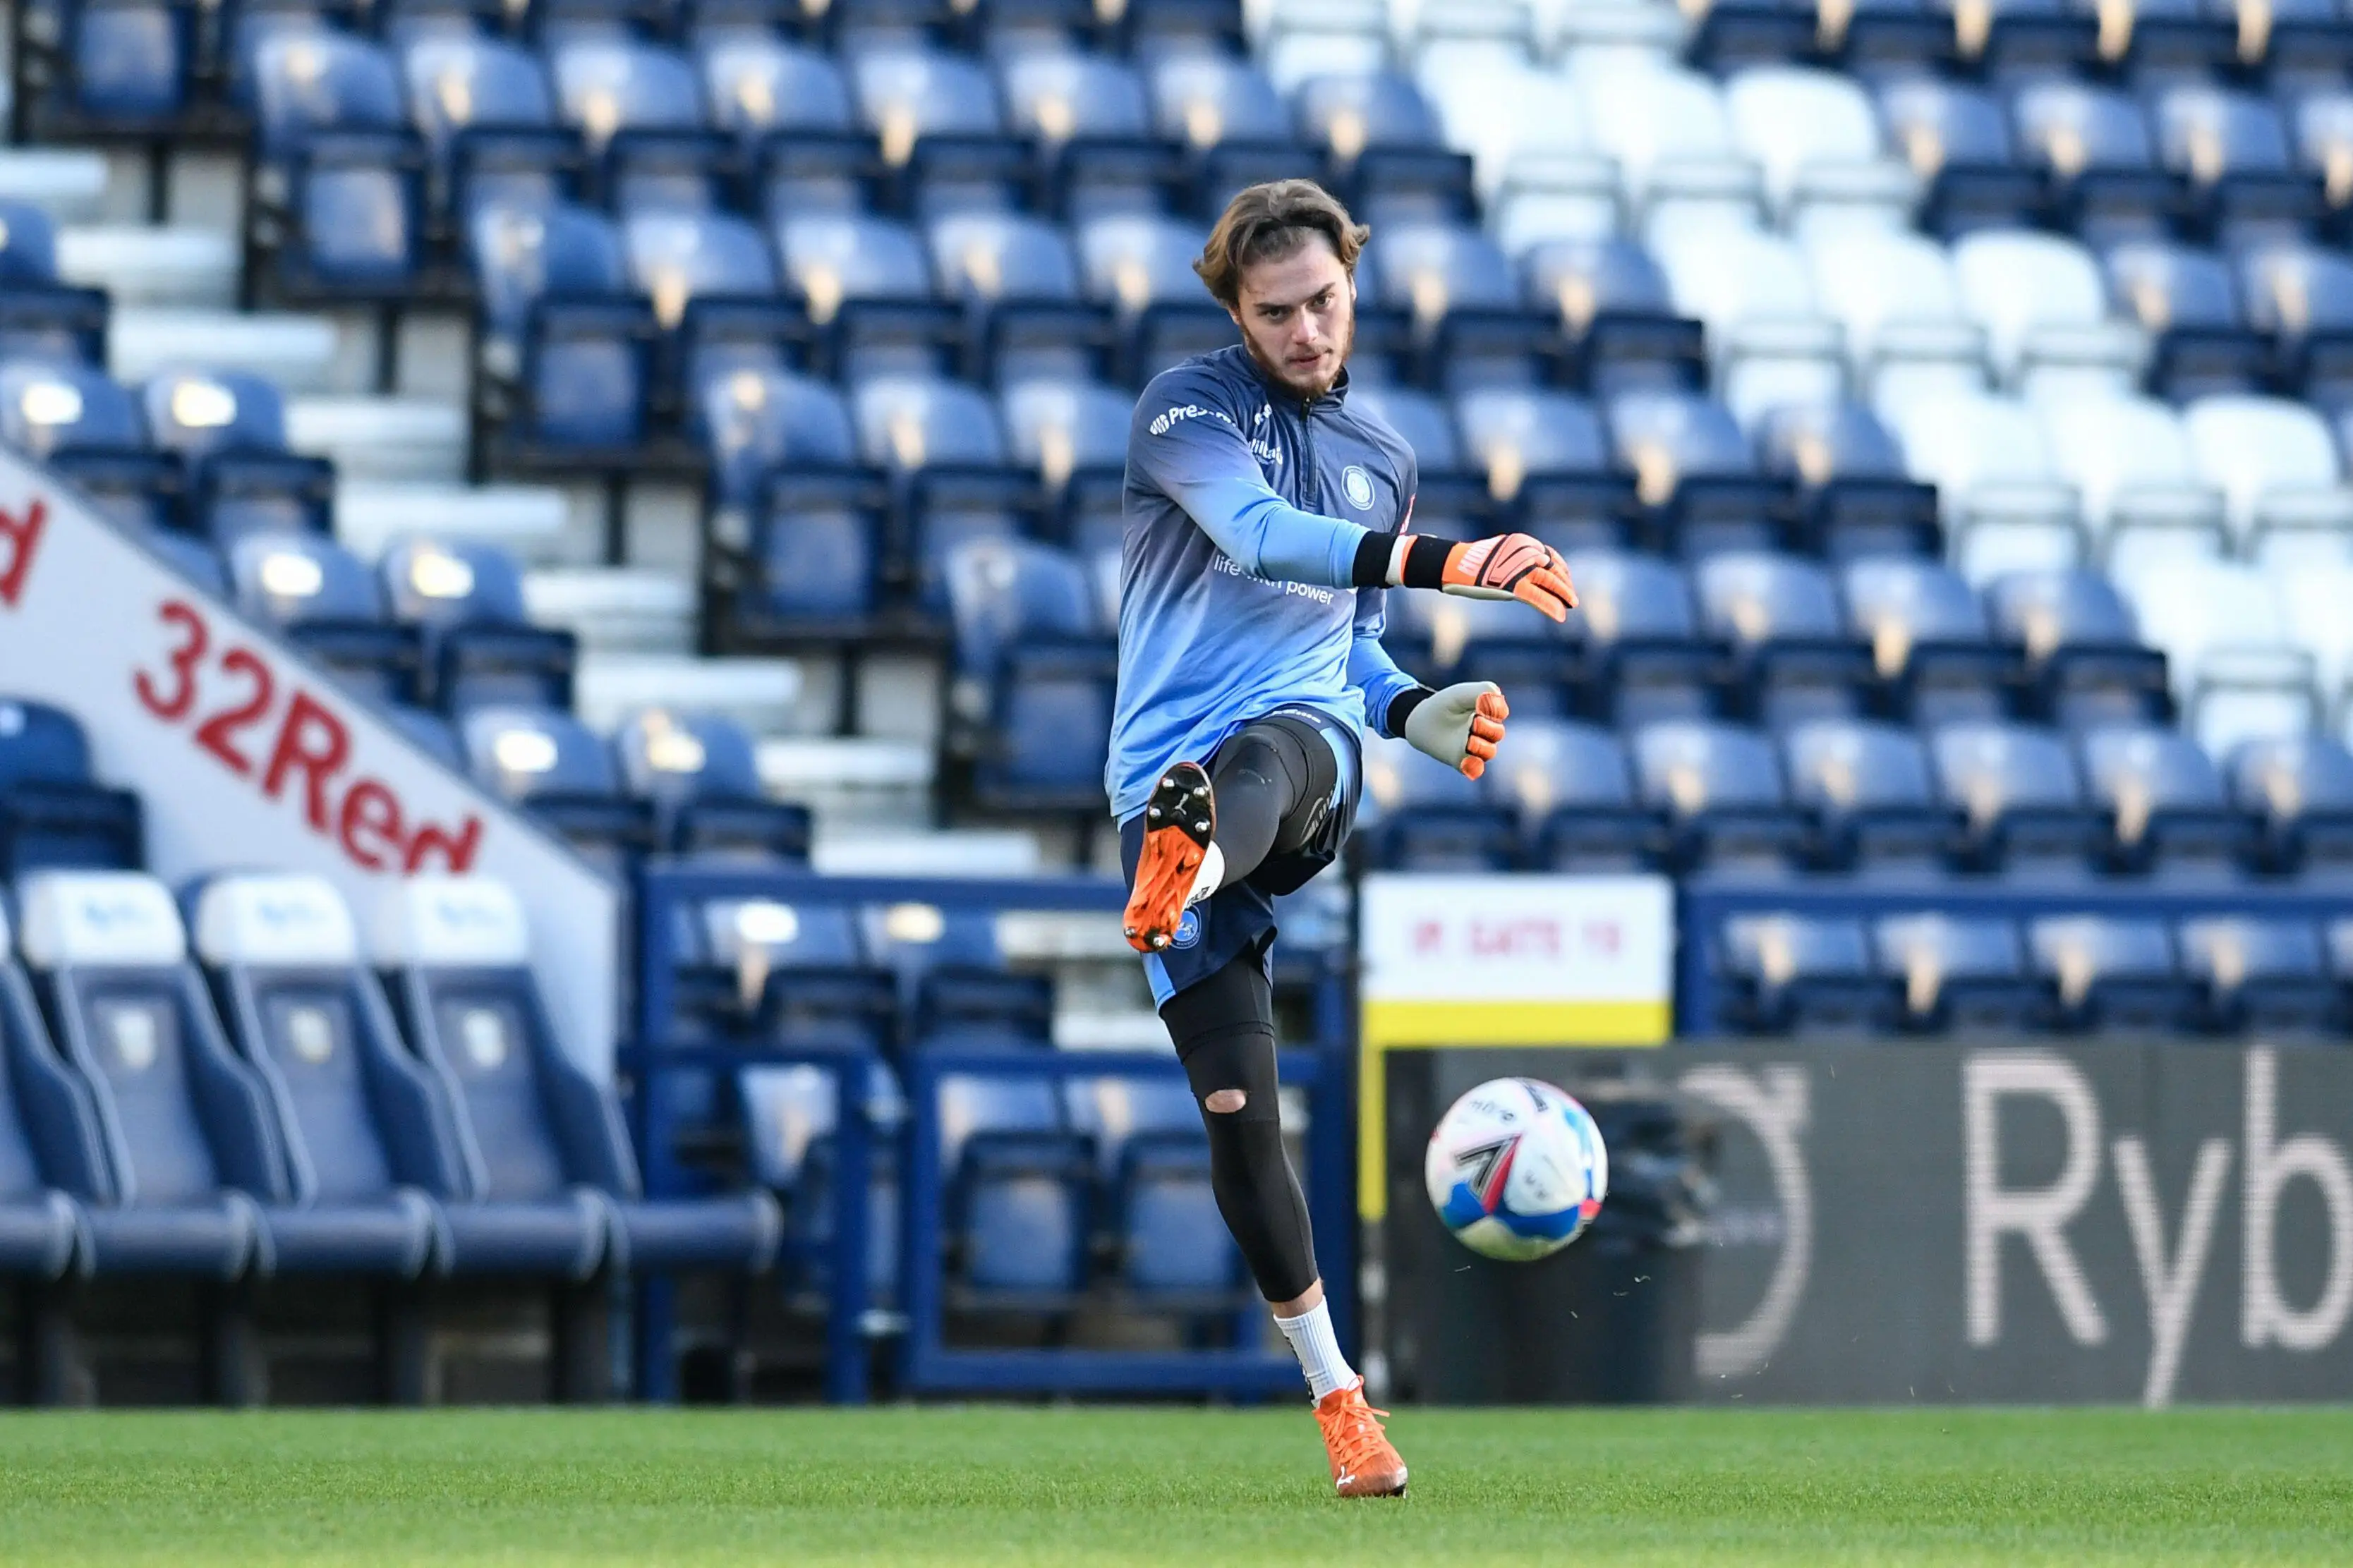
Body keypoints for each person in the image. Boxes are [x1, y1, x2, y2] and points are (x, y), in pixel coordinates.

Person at [1111, 180, 1577, 1498]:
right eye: (1276, 312)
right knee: (1239, 1124)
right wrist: (1455, 564)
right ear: (1235, 312)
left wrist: (1415, 709)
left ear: (1352, 284)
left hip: (1293, 773)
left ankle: (1194, 849)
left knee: (1275, 747)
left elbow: (1347, 648)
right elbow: (1259, 537)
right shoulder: (1185, 411)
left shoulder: (1380, 450)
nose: (1305, 329)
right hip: (1163, 783)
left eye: (1322, 301)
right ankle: (1343, 1407)